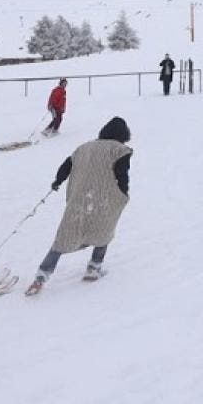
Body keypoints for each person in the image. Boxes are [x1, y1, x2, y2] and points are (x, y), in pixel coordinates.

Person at [25, 117, 133, 295]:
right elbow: (122, 176)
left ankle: (41, 276)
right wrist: (123, 193)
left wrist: (57, 181)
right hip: (105, 197)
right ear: (123, 134)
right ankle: (94, 268)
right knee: (104, 229)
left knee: (65, 234)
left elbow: (67, 165)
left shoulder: (84, 147)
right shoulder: (120, 150)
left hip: (79, 198)